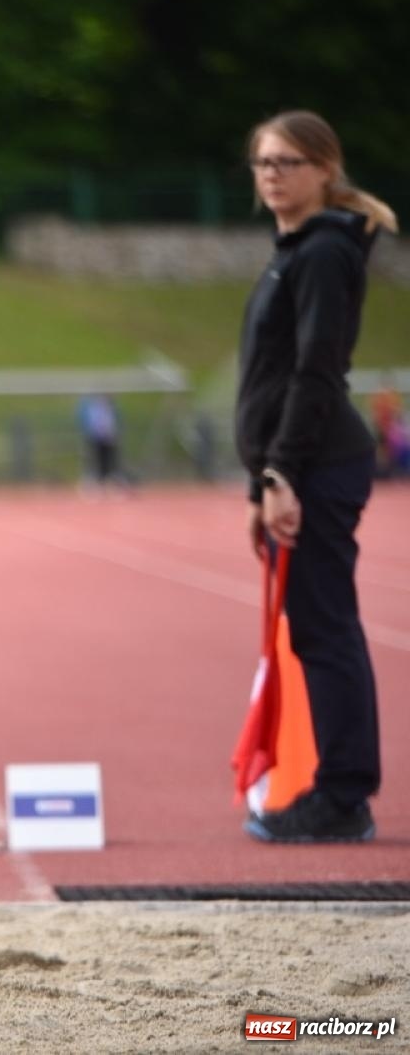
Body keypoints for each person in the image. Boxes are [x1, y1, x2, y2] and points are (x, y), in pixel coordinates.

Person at [235, 110, 396, 844]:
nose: (273, 174)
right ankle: (338, 788)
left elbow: (315, 372)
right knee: (318, 628)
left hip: (319, 465)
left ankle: (343, 798)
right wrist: (258, 485)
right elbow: (268, 380)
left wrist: (281, 473)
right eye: (264, 162)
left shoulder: (326, 253)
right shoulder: (294, 250)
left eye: (289, 162)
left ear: (325, 170)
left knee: (326, 629)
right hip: (298, 467)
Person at [77, 393, 121, 489]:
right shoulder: (92, 410)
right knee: (94, 463)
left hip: (109, 440)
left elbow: (112, 425)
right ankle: (93, 486)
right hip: (95, 440)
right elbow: (90, 424)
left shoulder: (111, 410)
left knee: (110, 464)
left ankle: (111, 485)